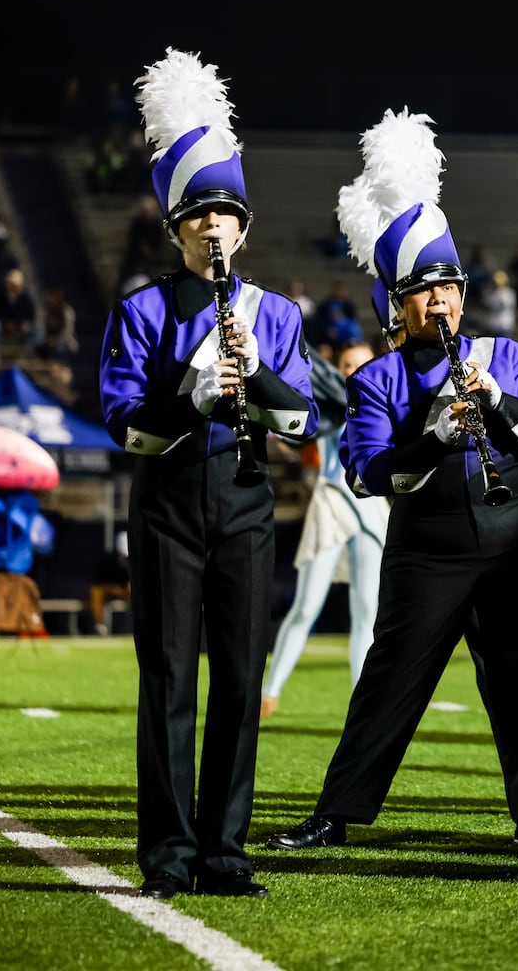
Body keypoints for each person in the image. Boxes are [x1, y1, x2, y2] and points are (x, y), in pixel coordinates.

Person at [264, 108, 518, 856]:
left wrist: (497, 401)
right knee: (390, 683)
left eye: (450, 287)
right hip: (427, 545)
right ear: (398, 306)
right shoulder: (380, 378)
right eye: (424, 291)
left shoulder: (504, 356)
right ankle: (335, 814)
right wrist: (433, 434)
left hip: (513, 540)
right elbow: (371, 471)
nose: (441, 300)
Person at [99, 49, 318, 901]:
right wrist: (191, 394)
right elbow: (127, 428)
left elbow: (298, 421)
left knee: (237, 681)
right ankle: (167, 856)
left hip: (245, 508)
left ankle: (225, 853)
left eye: (227, 212)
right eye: (198, 214)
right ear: (175, 227)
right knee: (168, 684)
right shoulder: (141, 310)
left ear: (245, 227)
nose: (214, 226)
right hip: (165, 513)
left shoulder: (277, 313)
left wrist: (257, 373)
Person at [260, 340, 387, 720]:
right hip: (332, 501)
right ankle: (271, 689)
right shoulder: (332, 403)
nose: (354, 371)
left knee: (367, 609)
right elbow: (305, 426)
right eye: (347, 364)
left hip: (369, 507)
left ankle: (363, 701)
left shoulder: (384, 403)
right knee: (306, 605)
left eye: (361, 364)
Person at [87, 529, 131, 635]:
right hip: (111, 592)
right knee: (96, 592)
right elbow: (97, 581)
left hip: (131, 592)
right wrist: (113, 588)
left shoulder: (137, 559)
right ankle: (100, 626)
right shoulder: (108, 561)